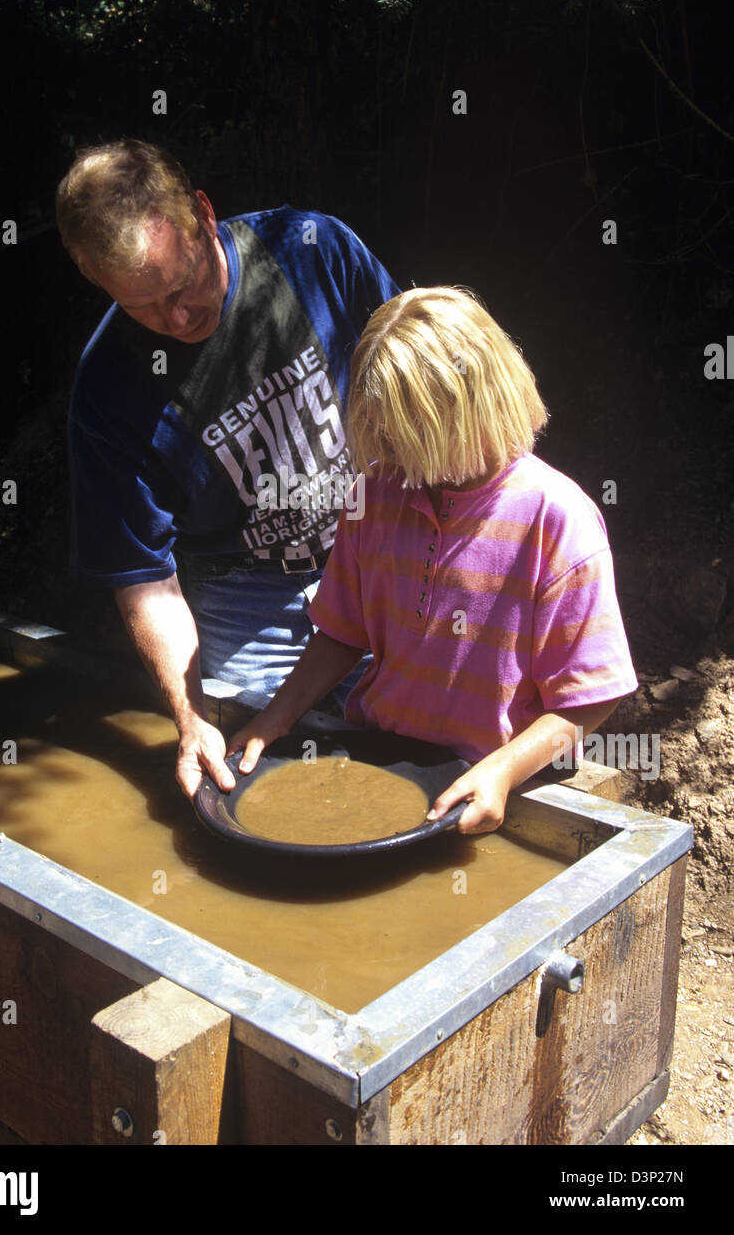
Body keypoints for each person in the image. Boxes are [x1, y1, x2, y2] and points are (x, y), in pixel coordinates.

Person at [56, 140, 399, 800]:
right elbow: (145, 581)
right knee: (287, 787)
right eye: (143, 306)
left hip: (379, 543)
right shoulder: (105, 393)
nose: (177, 319)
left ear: (204, 215)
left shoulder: (311, 250)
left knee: (421, 748)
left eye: (182, 286)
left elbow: (422, 376)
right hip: (245, 595)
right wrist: (191, 719)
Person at [229, 286, 639, 834]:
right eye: (383, 436)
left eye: (404, 436)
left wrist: (504, 769)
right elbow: (342, 633)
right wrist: (276, 717)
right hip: (376, 765)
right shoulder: (375, 495)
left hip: (488, 789)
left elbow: (589, 699)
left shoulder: (556, 519)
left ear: (468, 407)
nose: (389, 453)